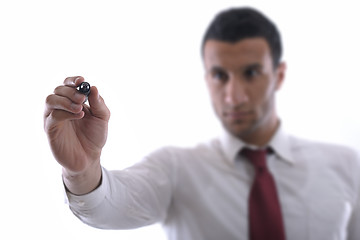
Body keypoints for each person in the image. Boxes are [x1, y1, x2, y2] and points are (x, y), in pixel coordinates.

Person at [44, 7, 360, 240]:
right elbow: (105, 208)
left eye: (251, 73)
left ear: (278, 75)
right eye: (220, 76)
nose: (234, 96)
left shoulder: (346, 167)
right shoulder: (176, 170)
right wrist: (82, 168)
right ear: (207, 79)